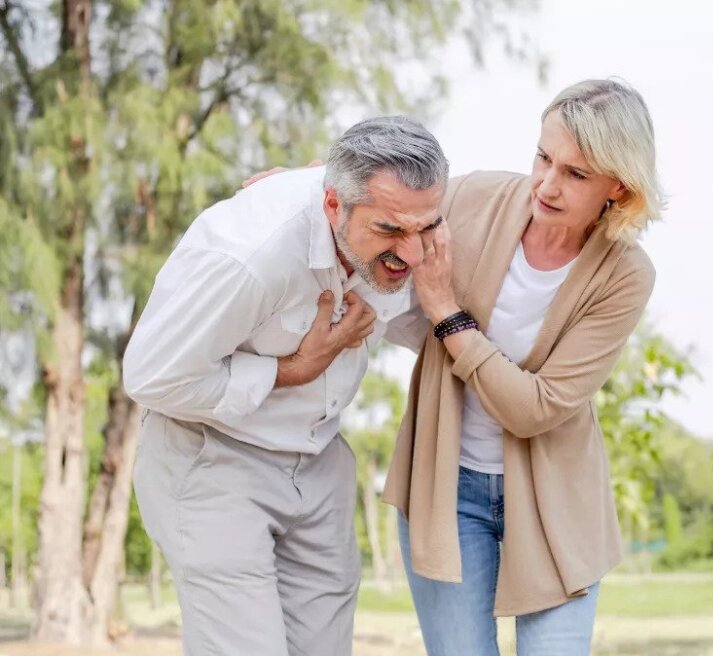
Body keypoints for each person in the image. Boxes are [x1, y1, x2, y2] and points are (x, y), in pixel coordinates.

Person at [124, 115, 446, 656]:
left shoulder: (400, 208)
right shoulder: (249, 255)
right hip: (214, 465)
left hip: (318, 465)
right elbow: (152, 375)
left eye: (426, 228)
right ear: (332, 206)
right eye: (389, 231)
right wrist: (292, 369)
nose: (412, 255)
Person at [389, 78, 662, 656]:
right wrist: (303, 186)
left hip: (554, 504)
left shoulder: (626, 275)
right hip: (447, 491)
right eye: (544, 157)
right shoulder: (475, 198)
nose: (547, 183)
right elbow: (378, 196)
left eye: (576, 174)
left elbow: (533, 409)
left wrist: (446, 313)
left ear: (618, 186)